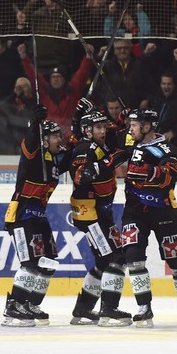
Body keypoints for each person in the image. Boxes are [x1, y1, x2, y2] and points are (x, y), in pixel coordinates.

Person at [123, 108, 177, 328]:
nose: (130, 129)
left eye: (135, 125)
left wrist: (149, 172)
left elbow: (169, 175)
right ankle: (144, 307)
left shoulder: (168, 149)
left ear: (147, 127)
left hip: (163, 210)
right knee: (134, 257)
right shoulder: (130, 142)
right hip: (134, 209)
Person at [1, 104, 72, 327]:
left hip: (39, 216)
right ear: (44, 139)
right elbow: (29, 145)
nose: (59, 139)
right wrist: (35, 125)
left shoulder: (53, 160)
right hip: (22, 215)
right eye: (54, 135)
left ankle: (31, 303)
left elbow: (75, 154)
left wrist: (78, 122)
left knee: (49, 262)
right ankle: (14, 306)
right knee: (30, 262)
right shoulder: (33, 155)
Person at [68, 104, 132, 327]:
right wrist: (112, 160)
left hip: (100, 213)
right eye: (97, 127)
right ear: (87, 130)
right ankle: (108, 310)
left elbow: (121, 138)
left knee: (103, 260)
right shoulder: (86, 148)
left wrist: (126, 119)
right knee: (115, 258)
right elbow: (82, 176)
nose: (103, 130)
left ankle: (83, 308)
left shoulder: (99, 145)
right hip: (89, 213)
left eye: (103, 126)